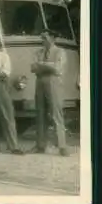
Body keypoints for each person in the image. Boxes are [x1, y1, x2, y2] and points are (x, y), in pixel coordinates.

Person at [30, 29, 69, 157]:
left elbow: (57, 68)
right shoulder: (38, 52)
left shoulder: (60, 52)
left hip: (53, 82)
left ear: (52, 38)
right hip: (40, 81)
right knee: (40, 113)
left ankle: (62, 146)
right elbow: (33, 68)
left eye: (45, 38)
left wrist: (41, 64)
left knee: (56, 113)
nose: (42, 40)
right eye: (41, 38)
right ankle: (40, 145)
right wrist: (47, 65)